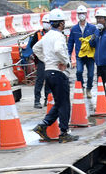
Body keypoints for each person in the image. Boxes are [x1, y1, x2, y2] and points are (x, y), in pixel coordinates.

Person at [32, 8, 78, 143]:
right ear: (61, 23)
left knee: (59, 102)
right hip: (58, 73)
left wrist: (47, 60)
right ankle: (64, 133)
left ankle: (43, 125)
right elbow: (58, 49)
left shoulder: (46, 36)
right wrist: (65, 62)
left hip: (48, 72)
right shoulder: (59, 36)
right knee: (64, 104)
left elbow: (36, 48)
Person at [67, 5, 98, 98]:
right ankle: (82, 87)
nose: (81, 15)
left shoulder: (92, 28)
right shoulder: (74, 29)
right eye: (80, 13)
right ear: (77, 15)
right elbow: (70, 42)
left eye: (83, 13)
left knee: (91, 74)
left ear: (86, 14)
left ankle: (89, 89)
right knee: (79, 71)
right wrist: (68, 54)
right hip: (79, 55)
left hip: (89, 55)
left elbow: (96, 40)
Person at [27, 15, 51, 109]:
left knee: (49, 80)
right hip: (41, 60)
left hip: (50, 60)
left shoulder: (52, 34)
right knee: (40, 80)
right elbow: (32, 45)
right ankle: (37, 101)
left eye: (47, 23)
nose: (46, 24)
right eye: (44, 22)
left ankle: (47, 99)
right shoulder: (38, 34)